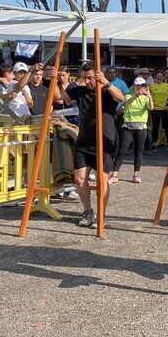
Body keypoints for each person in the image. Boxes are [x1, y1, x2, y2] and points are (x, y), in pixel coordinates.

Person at [57, 62, 125, 228]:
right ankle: (88, 211)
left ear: (98, 76)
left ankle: (102, 214)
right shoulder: (80, 91)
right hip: (84, 141)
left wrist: (106, 82)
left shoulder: (106, 91)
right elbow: (58, 97)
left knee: (102, 179)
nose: (87, 82)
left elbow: (121, 98)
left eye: (90, 78)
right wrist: (54, 80)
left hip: (105, 141)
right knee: (80, 179)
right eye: (85, 78)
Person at [114, 77, 153, 183]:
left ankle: (136, 174)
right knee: (122, 151)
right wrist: (136, 95)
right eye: (137, 85)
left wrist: (149, 95)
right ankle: (114, 174)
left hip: (141, 127)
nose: (139, 88)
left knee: (138, 152)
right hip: (128, 126)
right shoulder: (128, 95)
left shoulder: (145, 97)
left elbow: (150, 108)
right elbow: (126, 103)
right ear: (134, 86)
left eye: (142, 86)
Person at [105, 66, 130, 184]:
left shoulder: (121, 83)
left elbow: (126, 97)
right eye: (110, 72)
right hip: (107, 113)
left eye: (114, 72)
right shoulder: (103, 82)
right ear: (106, 73)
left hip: (119, 113)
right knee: (110, 135)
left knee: (119, 135)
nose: (112, 74)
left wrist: (123, 108)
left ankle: (117, 154)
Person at [149, 72, 168, 150]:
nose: (159, 77)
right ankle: (154, 143)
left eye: (161, 76)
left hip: (165, 108)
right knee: (155, 127)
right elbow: (147, 94)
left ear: (163, 77)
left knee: (167, 127)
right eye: (158, 76)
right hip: (155, 109)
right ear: (155, 78)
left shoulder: (167, 86)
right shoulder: (151, 86)